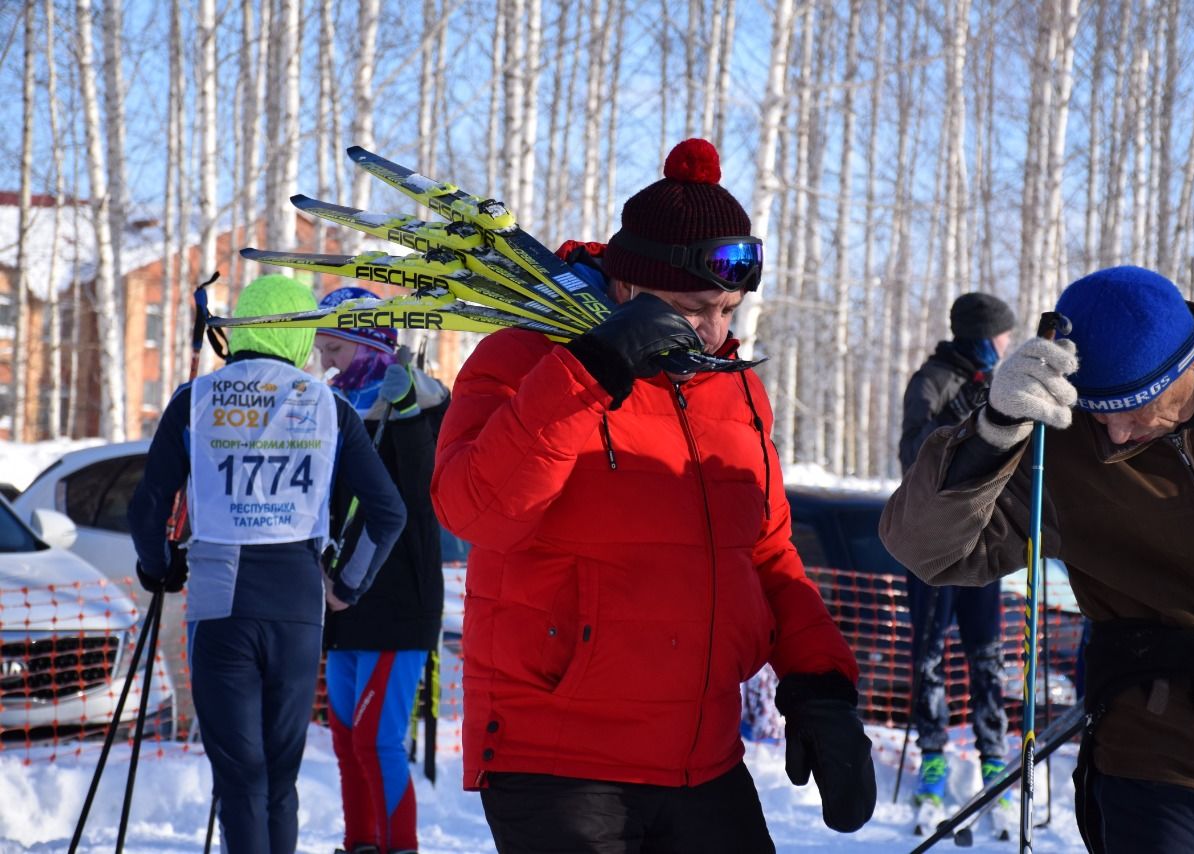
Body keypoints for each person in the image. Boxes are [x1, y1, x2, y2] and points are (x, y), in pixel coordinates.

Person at [430, 138, 877, 853]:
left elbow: (765, 556)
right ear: (630, 290)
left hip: (701, 757)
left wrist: (819, 686)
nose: (715, 330)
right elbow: (472, 508)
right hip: (558, 760)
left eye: (729, 308)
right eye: (695, 308)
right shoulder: (522, 360)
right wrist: (589, 371)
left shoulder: (735, 389)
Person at [880, 265, 1194, 852]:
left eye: (1134, 406)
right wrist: (992, 431)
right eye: (1099, 409)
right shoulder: (1061, 438)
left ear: (1189, 364)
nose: (1114, 433)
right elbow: (927, 550)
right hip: (1160, 751)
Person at [128, 274, 406, 854]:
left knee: (240, 781)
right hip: (298, 606)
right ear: (302, 336)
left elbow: (150, 503)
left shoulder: (197, 398)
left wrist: (158, 567)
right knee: (279, 781)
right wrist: (347, 585)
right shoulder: (329, 407)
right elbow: (387, 513)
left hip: (221, 604)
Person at [315, 287, 451, 854]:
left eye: (335, 350)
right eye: (320, 349)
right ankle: (360, 843)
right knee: (347, 740)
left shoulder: (425, 400)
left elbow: (422, 495)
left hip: (398, 599)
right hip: (342, 597)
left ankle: (401, 845)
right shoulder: (330, 407)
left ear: (369, 346)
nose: (324, 362)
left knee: (377, 739)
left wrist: (405, 414)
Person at [896, 292, 1016, 833]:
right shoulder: (932, 380)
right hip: (930, 544)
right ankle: (934, 759)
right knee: (929, 656)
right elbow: (914, 454)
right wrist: (965, 421)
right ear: (980, 337)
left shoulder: (996, 383)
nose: (1007, 345)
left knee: (986, 654)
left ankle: (995, 761)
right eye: (1001, 337)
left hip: (982, 545)